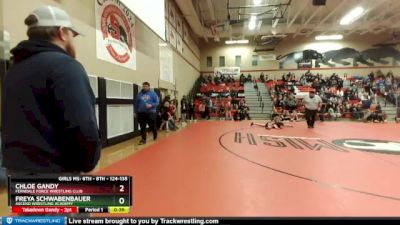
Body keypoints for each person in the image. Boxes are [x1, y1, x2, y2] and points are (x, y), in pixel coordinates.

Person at [1, 5, 101, 175]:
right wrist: (90, 162)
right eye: (72, 34)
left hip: (17, 174)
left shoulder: (13, 70)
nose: (73, 40)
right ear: (63, 32)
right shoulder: (65, 66)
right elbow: (82, 124)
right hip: (56, 174)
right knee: (112, 197)